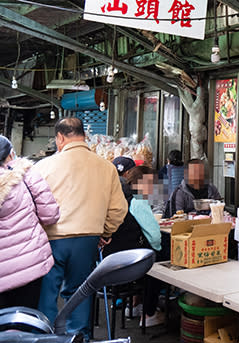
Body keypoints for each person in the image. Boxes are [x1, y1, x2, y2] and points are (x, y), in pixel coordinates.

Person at [36, 118, 128, 339]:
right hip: (88, 239)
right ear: (83, 136)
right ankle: (78, 337)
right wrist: (105, 232)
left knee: (47, 293)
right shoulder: (106, 167)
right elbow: (118, 209)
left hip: (51, 238)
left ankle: (47, 337)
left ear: (60, 138)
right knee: (80, 292)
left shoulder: (44, 166)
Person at [0, 135, 60, 309]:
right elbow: (50, 215)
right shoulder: (26, 175)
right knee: (25, 318)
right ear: (10, 155)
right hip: (28, 263)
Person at [111, 165, 165, 327]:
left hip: (114, 260)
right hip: (130, 264)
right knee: (159, 265)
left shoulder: (120, 197)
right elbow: (155, 237)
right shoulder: (139, 201)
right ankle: (149, 314)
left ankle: (134, 305)